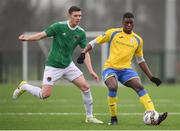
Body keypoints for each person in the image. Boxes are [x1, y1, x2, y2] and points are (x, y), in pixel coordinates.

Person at [12, 6, 103, 124]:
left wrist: (91, 70)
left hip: (68, 65)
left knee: (85, 87)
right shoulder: (58, 27)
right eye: (75, 15)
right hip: (53, 66)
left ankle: (89, 117)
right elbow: (41, 35)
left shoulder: (81, 32)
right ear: (69, 16)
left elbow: (85, 52)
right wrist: (27, 38)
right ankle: (24, 86)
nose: (78, 18)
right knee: (45, 95)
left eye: (80, 16)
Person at [77, 12, 168, 125]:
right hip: (110, 68)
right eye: (127, 22)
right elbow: (94, 42)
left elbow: (140, 60)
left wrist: (151, 77)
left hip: (126, 70)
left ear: (134, 24)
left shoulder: (138, 39)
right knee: (113, 86)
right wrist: (83, 52)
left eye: (131, 23)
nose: (129, 24)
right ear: (122, 23)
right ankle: (113, 118)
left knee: (140, 86)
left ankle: (154, 114)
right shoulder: (113, 33)